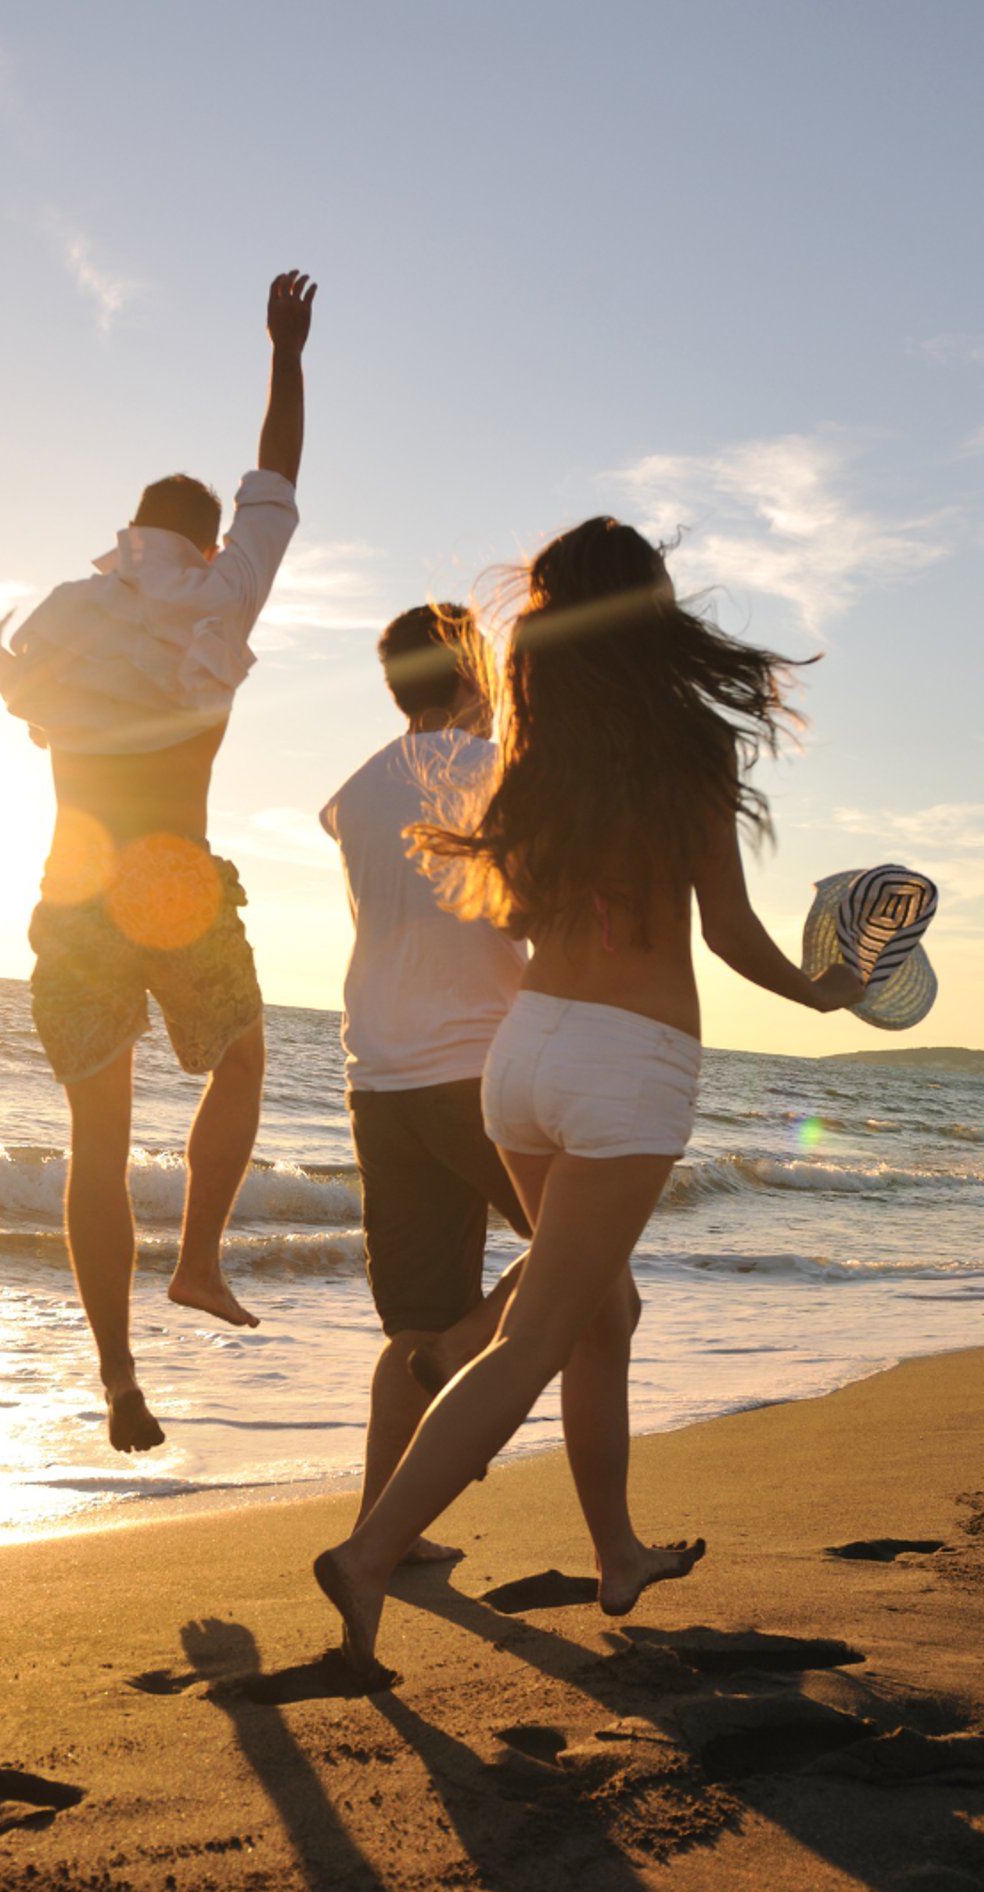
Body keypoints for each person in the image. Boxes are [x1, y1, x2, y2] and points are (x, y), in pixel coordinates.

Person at [311, 518, 865, 1685]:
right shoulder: (690, 747)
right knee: (535, 1334)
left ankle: (617, 1555)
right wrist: (821, 997)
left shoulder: (530, 748)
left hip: (524, 1057)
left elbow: (511, 915)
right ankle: (368, 1553)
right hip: (629, 1063)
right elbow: (727, 929)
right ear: (654, 612)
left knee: (599, 1313)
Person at [0, 269, 315, 1453]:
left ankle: (118, 1374)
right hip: (173, 881)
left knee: (96, 1145)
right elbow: (277, 478)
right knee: (240, 1061)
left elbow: (28, 707)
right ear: (208, 538)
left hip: (73, 890)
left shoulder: (71, 612)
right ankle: (196, 1261)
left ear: (129, 526)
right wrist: (286, 352)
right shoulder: (221, 596)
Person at [318, 604, 531, 1560]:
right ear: (473, 675)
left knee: (410, 1315)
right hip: (477, 1067)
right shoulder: (496, 775)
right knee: (586, 1257)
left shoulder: (353, 791)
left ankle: (382, 1530)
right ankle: (459, 1353)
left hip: (380, 1076)